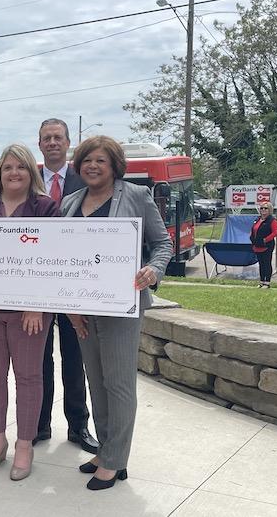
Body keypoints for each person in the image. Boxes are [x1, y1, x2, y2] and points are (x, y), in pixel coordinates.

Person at [61, 135, 171, 490]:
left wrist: (153, 270)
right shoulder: (70, 202)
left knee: (119, 384)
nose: (93, 166)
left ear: (114, 166)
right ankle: (107, 449)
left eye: (101, 161)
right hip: (84, 308)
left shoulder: (136, 195)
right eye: (87, 160)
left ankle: (115, 460)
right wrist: (70, 309)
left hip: (123, 305)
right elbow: (63, 257)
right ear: (79, 166)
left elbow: (163, 243)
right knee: (96, 380)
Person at [0, 144, 56, 481]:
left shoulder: (45, 207)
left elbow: (52, 256)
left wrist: (36, 303)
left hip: (29, 312)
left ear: (31, 172)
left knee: (28, 377)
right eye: (8, 167)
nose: (14, 173)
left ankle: (24, 443)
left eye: (21, 167)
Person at [34, 118, 98, 453]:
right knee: (38, 357)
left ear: (68, 142)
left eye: (58, 137)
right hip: (39, 282)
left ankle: (78, 426)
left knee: (75, 357)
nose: (53, 142)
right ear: (39, 144)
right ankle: (39, 425)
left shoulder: (84, 178)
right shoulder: (29, 179)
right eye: (47, 138)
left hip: (75, 282)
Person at [250, 201, 277, 288]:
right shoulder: (257, 219)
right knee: (261, 264)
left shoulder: (272, 220)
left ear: (269, 210)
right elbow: (253, 230)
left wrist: (265, 240)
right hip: (257, 245)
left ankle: (267, 282)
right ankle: (261, 281)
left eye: (265, 208)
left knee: (267, 263)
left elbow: (275, 232)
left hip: (267, 246)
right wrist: (252, 238)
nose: (263, 210)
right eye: (262, 208)